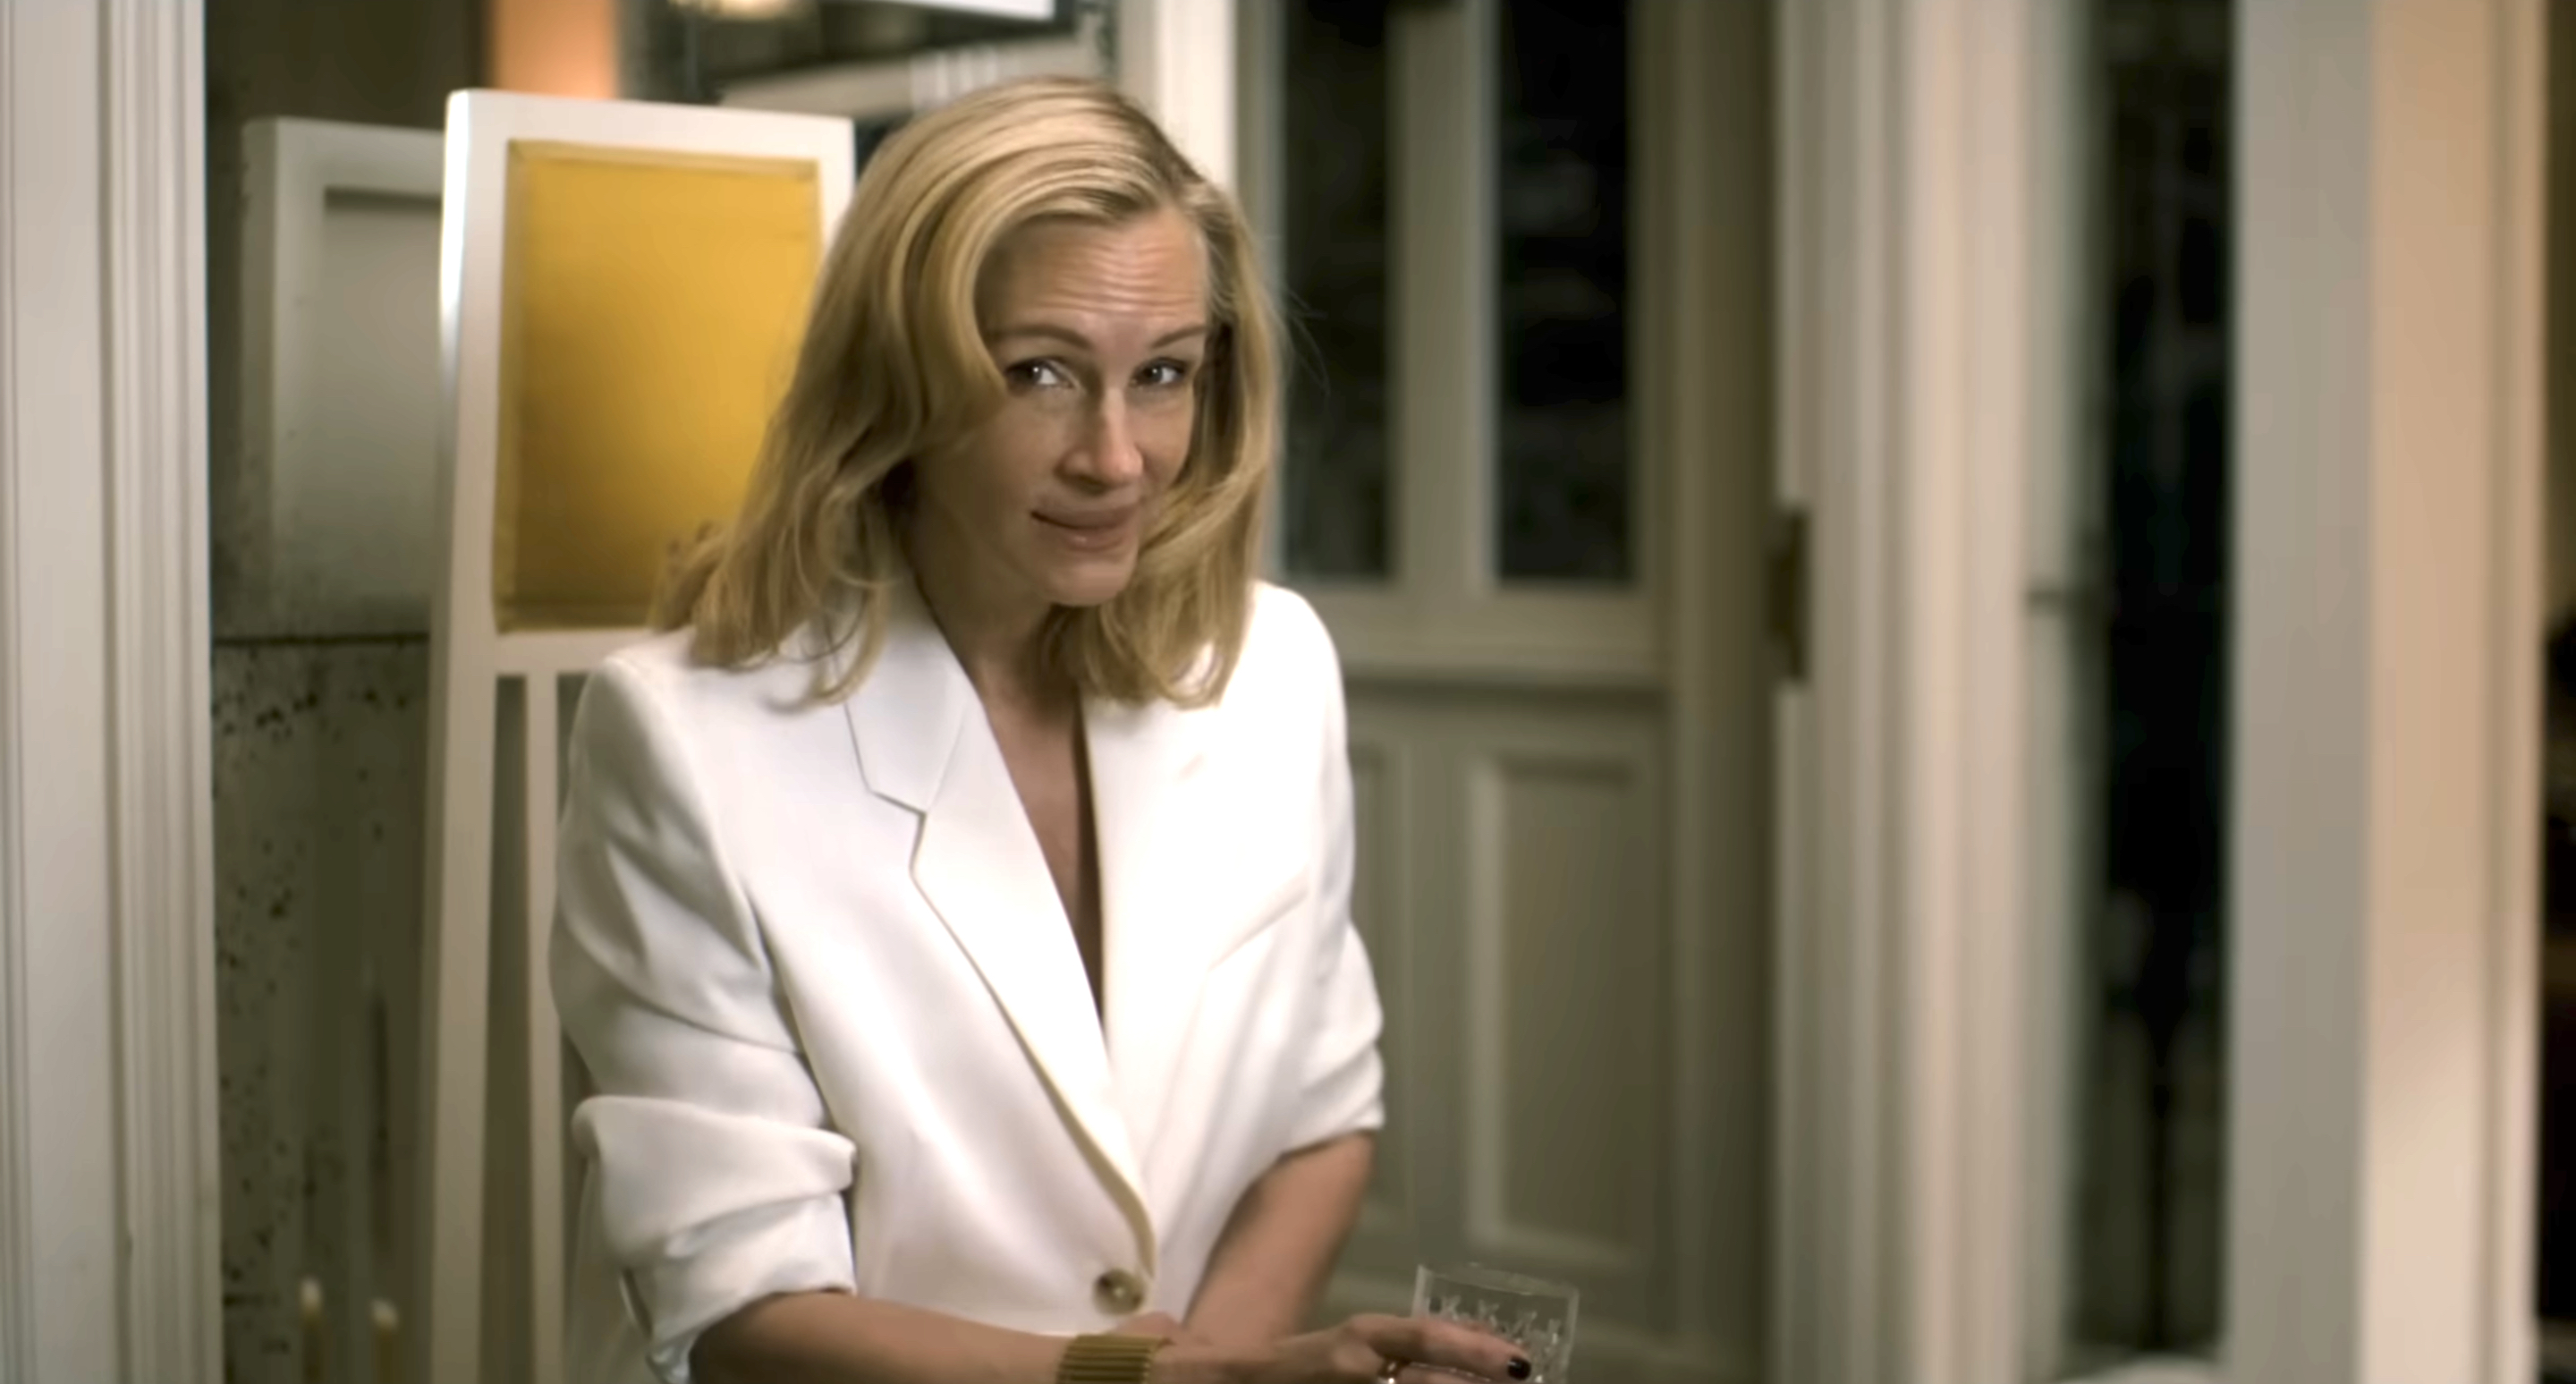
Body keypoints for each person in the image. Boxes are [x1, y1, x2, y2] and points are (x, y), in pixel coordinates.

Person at [550, 77, 1527, 1384]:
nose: (1116, 459)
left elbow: (1324, 1115)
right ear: (898, 383)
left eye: (1162, 374)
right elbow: (739, 1306)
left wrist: (1218, 1367)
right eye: (1041, 375)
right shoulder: (685, 738)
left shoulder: (1273, 668)